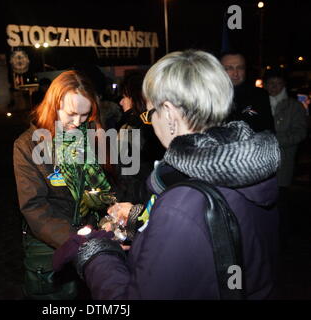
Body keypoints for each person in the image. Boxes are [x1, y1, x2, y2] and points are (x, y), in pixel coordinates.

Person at [53, 50, 281, 299]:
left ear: (170, 113)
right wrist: (143, 219)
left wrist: (95, 252)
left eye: (151, 113)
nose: (151, 122)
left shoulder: (180, 203)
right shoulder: (250, 168)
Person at [13, 70, 115, 299]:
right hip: (51, 250)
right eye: (71, 114)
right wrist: (78, 240)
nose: (78, 122)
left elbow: (104, 186)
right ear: (53, 105)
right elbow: (34, 209)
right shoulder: (27, 145)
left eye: (84, 115)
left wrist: (111, 212)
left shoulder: (87, 134)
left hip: (91, 246)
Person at [264, 69, 308, 246]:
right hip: (261, 162)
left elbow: (300, 133)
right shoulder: (259, 103)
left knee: (281, 202)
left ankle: (283, 239)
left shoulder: (294, 106)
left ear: (284, 85)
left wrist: (274, 139)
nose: (274, 87)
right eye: (271, 83)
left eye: (278, 83)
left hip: (283, 161)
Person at [115, 71, 165, 203]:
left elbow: (125, 174)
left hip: (135, 199)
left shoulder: (128, 128)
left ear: (134, 98)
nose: (121, 102)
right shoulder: (161, 124)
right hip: (159, 195)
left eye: (124, 97)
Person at [220, 52, 275, 133]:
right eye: (229, 68)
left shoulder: (259, 95)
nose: (235, 73)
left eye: (240, 68)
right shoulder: (211, 96)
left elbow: (268, 130)